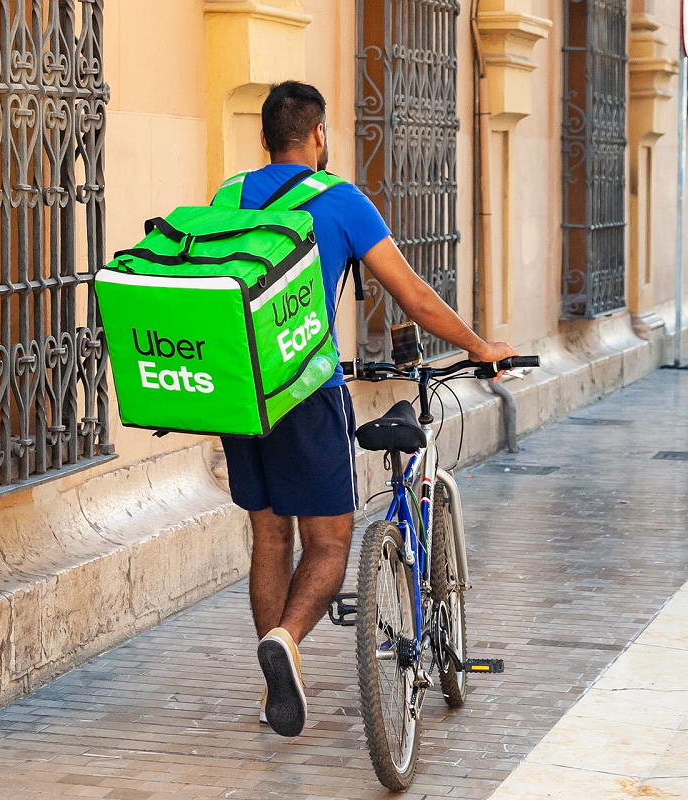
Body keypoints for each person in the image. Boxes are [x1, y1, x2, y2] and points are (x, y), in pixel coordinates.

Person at [218, 81, 519, 738]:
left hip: (241, 397)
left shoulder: (228, 196)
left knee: (269, 537)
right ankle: (287, 644)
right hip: (306, 392)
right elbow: (413, 295)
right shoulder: (341, 201)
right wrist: (480, 346)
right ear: (318, 135)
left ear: (264, 138)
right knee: (328, 542)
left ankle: (275, 686)